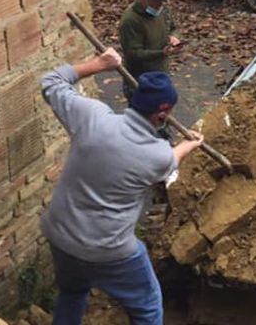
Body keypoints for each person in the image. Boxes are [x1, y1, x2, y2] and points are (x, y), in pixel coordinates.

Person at [40, 48, 204, 325]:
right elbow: (172, 160)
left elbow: (51, 82)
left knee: (72, 292)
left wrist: (99, 64)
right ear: (162, 114)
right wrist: (189, 145)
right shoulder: (158, 155)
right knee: (148, 307)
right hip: (108, 249)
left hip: (61, 234)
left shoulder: (92, 116)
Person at [119, 0, 181, 99]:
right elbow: (133, 54)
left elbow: (174, 27)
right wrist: (161, 53)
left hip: (161, 73)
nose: (160, 4)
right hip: (139, 81)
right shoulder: (130, 20)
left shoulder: (162, 9)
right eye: (156, 0)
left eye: (162, 0)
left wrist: (174, 37)